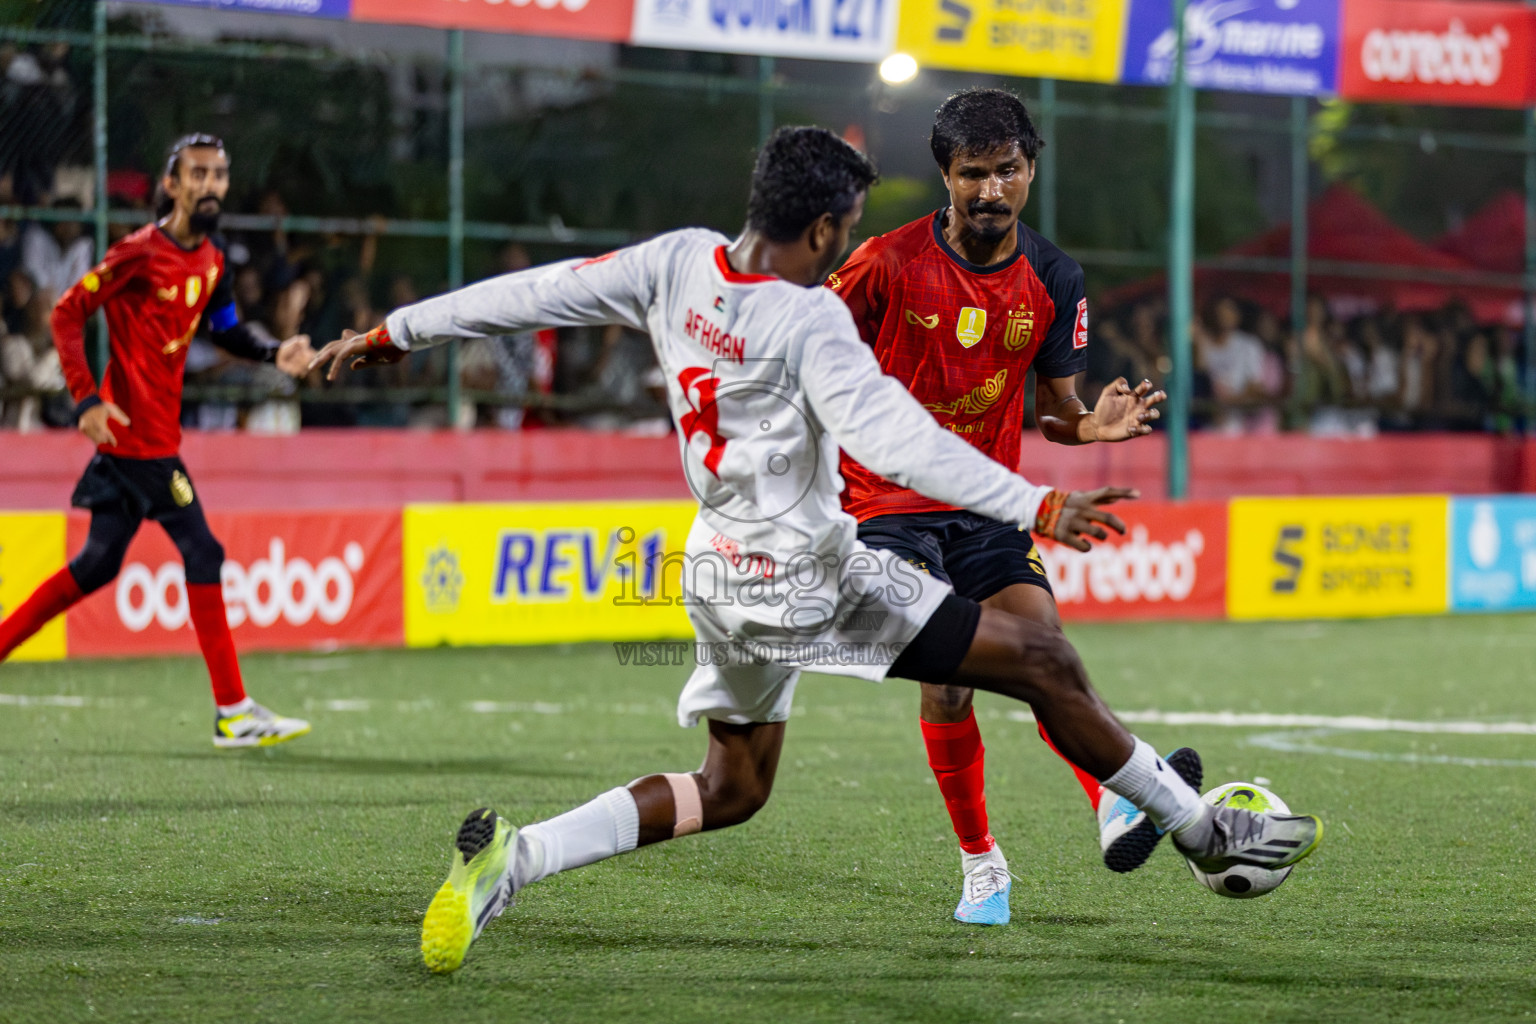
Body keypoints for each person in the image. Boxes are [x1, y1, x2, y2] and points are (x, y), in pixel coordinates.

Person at [310, 126, 1322, 975]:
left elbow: (532, 293)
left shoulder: (675, 261)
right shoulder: (810, 320)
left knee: (734, 786)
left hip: (714, 568)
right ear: (830, 227)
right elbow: (898, 437)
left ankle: (515, 862)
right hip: (808, 574)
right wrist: (1036, 501)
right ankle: (1201, 832)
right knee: (1046, 660)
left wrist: (392, 331)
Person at [826, 88, 1172, 925]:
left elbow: (1055, 405)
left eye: (1006, 171)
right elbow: (811, 352)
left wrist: (1093, 425)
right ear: (945, 174)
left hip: (988, 503)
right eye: (972, 173)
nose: (990, 190)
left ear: (1030, 170)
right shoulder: (885, 264)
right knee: (950, 685)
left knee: (1045, 647)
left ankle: (1115, 799)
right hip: (890, 506)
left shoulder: (1054, 276)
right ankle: (983, 864)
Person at [0, 134, 315, 748]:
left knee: (96, 565)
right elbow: (66, 313)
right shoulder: (140, 253)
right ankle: (234, 712)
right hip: (139, 443)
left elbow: (226, 333)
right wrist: (85, 398)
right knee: (204, 551)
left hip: (146, 440)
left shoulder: (214, 261)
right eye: (197, 174)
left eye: (220, 175)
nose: (211, 185)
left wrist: (279, 352)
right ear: (171, 184)